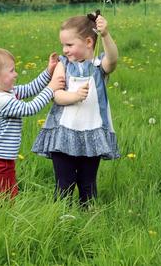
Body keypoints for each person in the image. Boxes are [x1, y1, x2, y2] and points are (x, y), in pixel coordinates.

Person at [32, 11, 120, 206]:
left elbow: (113, 60)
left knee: (87, 183)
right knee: (64, 183)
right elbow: (55, 93)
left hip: (92, 134)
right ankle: (61, 217)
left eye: (69, 45)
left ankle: (87, 218)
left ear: (88, 43)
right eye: (63, 44)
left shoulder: (98, 66)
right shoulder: (63, 65)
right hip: (63, 134)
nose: (64, 50)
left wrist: (105, 35)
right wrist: (74, 96)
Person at [0, 47, 65, 205]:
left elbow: (30, 89)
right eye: (12, 71)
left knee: (8, 191)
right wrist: (51, 88)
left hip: (2, 158)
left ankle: (4, 215)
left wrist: (48, 72)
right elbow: (30, 108)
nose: (16, 74)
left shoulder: (5, 91)